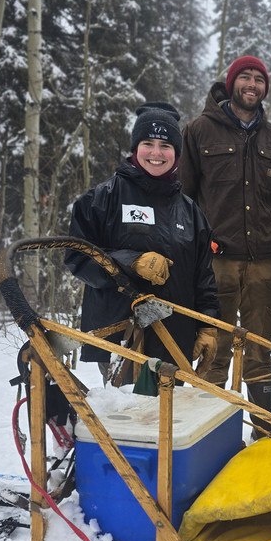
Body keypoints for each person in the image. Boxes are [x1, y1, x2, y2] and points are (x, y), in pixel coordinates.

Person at [67, 102, 220, 382]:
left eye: (166, 145)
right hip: (124, 340)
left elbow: (204, 276)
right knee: (132, 420)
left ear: (177, 153)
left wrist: (208, 326)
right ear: (135, 148)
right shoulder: (102, 199)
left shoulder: (190, 212)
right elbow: (77, 257)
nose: (156, 153)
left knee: (171, 421)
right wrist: (131, 262)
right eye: (148, 143)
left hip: (175, 338)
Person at [180, 56, 271, 434]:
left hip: (264, 262)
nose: (252, 84)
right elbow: (185, 196)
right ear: (231, 84)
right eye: (244, 77)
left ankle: (262, 433)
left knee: (261, 350)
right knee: (214, 350)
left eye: (259, 79)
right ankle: (208, 436)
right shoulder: (198, 131)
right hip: (216, 261)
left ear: (264, 89)